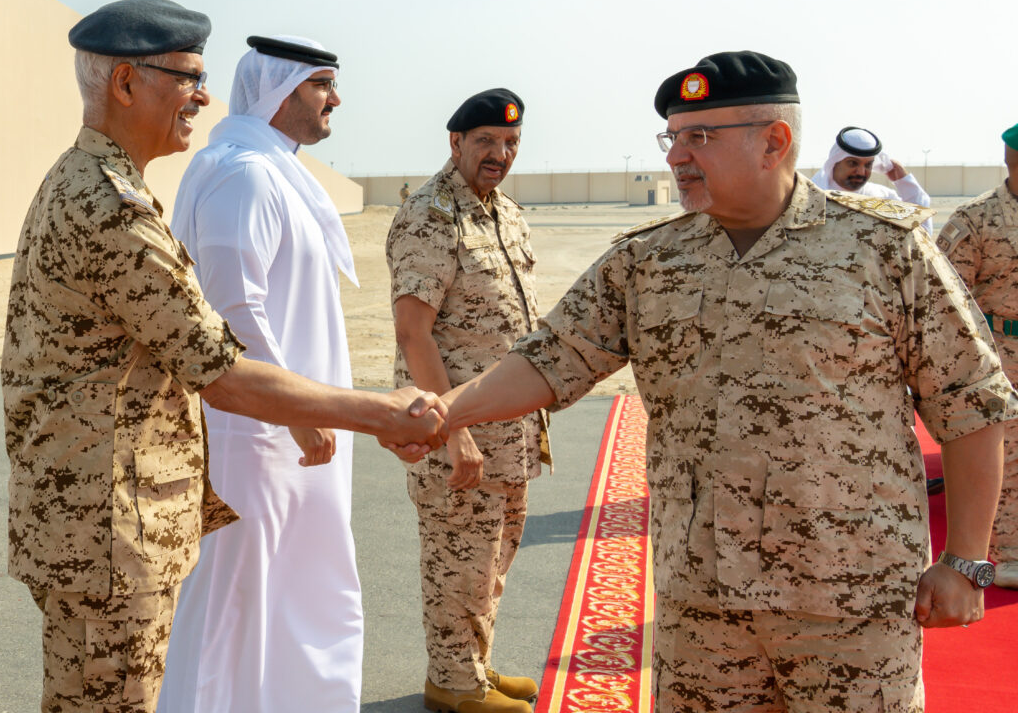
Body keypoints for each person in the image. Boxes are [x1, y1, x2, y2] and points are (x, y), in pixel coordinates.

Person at [434, 52, 1013, 711]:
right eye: (672, 137)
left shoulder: (885, 251)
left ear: (774, 141)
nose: (677, 156)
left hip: (853, 608)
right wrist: (443, 412)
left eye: (700, 136)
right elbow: (549, 358)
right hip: (700, 610)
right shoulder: (648, 260)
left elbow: (972, 404)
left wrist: (965, 561)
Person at [1, 0, 443, 713]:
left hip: (97, 517)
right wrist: (379, 412)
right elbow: (224, 368)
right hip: (107, 528)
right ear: (125, 83)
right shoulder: (110, 207)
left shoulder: (95, 183)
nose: (203, 98)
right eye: (187, 78)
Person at [158, 35, 366, 712]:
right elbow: (232, 310)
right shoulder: (243, 174)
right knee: (230, 614)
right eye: (321, 84)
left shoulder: (274, 170)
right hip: (253, 437)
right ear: (278, 89)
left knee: (298, 599)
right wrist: (296, 413)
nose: (335, 99)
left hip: (290, 435)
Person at [386, 88, 549, 713]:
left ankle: (473, 666)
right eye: (486, 141)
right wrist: (452, 430)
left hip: (510, 427)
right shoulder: (431, 215)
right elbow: (413, 333)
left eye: (510, 143)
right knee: (458, 560)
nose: (499, 154)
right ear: (455, 143)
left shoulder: (505, 213)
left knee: (492, 558)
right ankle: (454, 684)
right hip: (457, 429)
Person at [936, 122, 1018, 589]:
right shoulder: (976, 220)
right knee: (1008, 450)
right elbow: (946, 298)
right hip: (998, 350)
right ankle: (1010, 554)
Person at [811, 125, 933, 234]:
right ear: (835, 162)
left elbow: (923, 232)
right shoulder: (813, 199)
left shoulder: (883, 197)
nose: (861, 172)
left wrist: (904, 181)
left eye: (868, 165)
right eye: (852, 163)